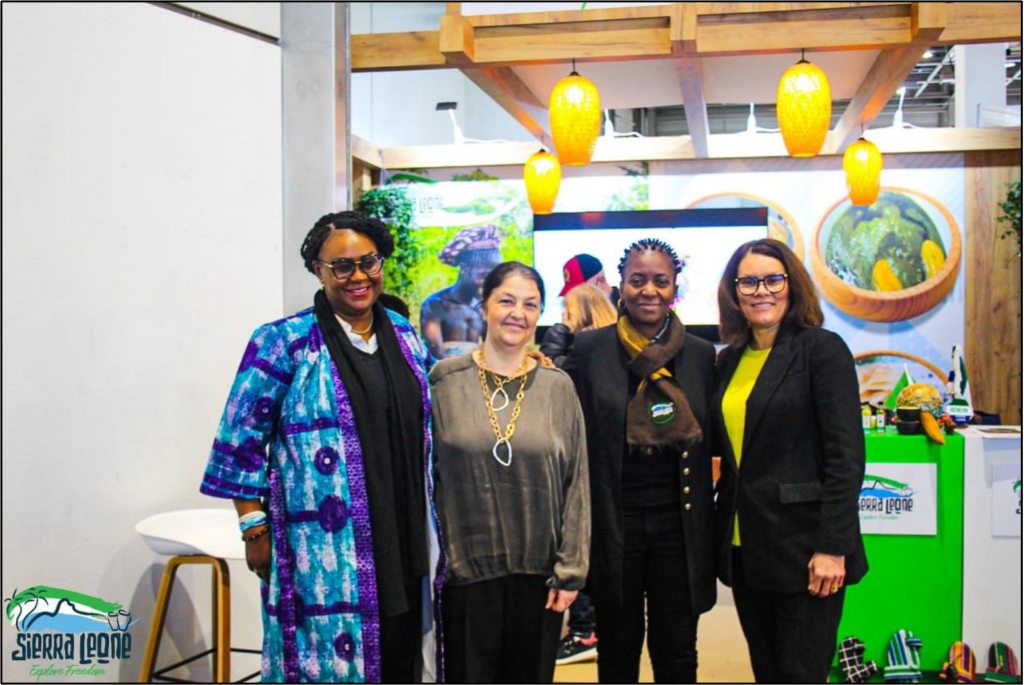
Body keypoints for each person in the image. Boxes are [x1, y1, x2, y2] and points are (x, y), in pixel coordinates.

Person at [200, 211, 441, 683]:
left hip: (404, 528)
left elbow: (441, 402)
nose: (358, 276)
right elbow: (239, 440)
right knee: (324, 663)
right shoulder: (283, 342)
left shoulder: (405, 336)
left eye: (368, 262)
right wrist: (253, 527)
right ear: (318, 270)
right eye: (341, 266)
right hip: (323, 548)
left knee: (401, 649)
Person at [712, 238, 868, 683]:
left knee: (800, 673)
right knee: (767, 671)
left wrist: (832, 547)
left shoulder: (821, 350)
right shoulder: (729, 360)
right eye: (748, 282)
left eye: (772, 280)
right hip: (746, 546)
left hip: (806, 550)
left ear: (792, 285)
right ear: (734, 292)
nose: (761, 291)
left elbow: (846, 457)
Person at [564, 239, 717, 683]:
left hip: (681, 526)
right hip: (615, 524)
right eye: (637, 280)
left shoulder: (701, 355)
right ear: (621, 286)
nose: (649, 290)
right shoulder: (589, 351)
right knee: (617, 649)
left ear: (674, 289)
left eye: (660, 281)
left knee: (677, 652)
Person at [430, 261, 591, 683]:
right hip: (463, 574)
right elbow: (425, 480)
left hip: (540, 579)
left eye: (530, 304)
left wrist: (571, 571)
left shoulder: (558, 387)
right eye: (506, 301)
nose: (518, 313)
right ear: (485, 306)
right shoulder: (444, 382)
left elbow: (577, 483)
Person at [420, 224, 503, 359]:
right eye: (483, 276)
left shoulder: (483, 307)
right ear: (464, 268)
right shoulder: (435, 304)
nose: (489, 284)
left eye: (493, 278)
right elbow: (436, 355)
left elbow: (494, 351)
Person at [541, 283, 617, 370]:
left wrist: (560, 329)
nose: (563, 313)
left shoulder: (583, 341)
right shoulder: (614, 333)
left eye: (566, 308)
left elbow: (551, 368)